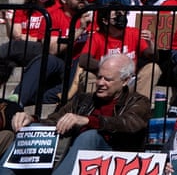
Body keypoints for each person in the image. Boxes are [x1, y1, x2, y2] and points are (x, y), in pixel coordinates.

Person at [4, 54, 150, 175]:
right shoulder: (83, 100)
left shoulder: (138, 101)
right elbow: (54, 121)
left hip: (114, 155)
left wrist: (89, 120)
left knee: (90, 135)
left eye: (108, 79)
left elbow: (129, 123)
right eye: (99, 77)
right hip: (75, 152)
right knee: (29, 131)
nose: (100, 83)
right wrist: (31, 120)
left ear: (125, 81)